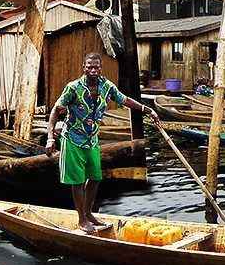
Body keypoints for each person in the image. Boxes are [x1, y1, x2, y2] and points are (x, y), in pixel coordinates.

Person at [45, 52, 158, 232]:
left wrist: (147, 109)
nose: (93, 70)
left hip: (92, 140)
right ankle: (82, 219)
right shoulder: (73, 88)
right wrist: (50, 137)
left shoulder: (107, 86)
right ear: (84, 68)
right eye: (89, 67)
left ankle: (88, 213)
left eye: (96, 67)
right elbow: (56, 111)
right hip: (72, 138)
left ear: (100, 68)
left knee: (96, 178)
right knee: (78, 181)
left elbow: (125, 100)